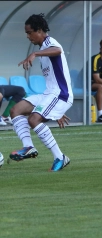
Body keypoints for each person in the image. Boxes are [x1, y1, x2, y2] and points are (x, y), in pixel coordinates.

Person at [9, 13, 73, 172]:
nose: (27, 36)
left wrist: (34, 54)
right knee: (15, 110)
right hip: (49, 95)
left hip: (60, 94)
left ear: (39, 30)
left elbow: (58, 50)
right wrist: (55, 110)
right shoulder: (43, 48)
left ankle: (60, 157)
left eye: (29, 32)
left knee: (34, 119)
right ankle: (28, 147)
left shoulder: (49, 42)